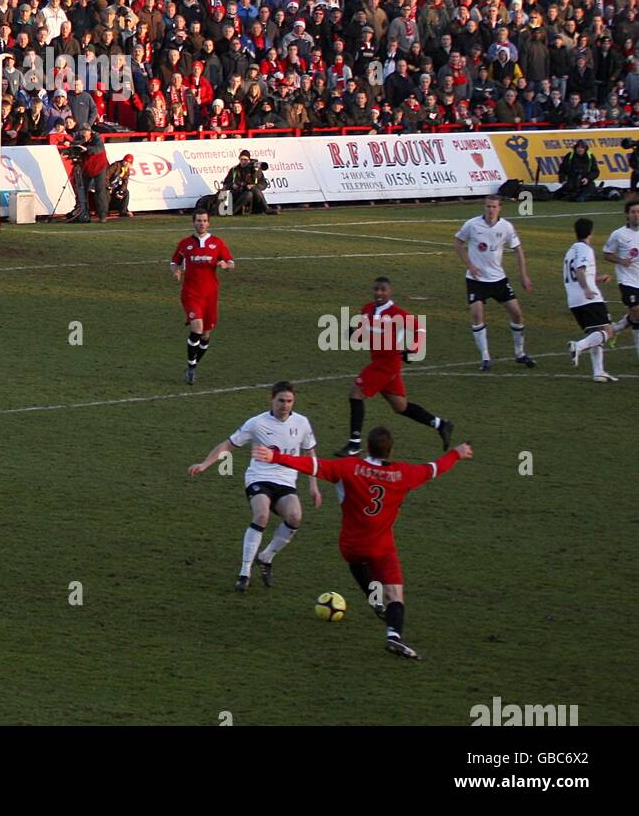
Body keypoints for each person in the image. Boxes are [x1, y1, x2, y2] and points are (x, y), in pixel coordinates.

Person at [255, 426, 473, 660]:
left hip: (351, 546)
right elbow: (434, 468)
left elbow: (312, 466)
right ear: (391, 450)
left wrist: (275, 456)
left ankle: (374, 601)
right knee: (395, 595)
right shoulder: (405, 473)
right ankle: (393, 636)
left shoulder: (348, 467)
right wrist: (456, 453)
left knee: (359, 564)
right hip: (381, 546)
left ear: (367, 447)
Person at [188, 380, 322, 592]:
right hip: (259, 478)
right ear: (271, 400)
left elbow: (310, 455)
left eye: (289, 401)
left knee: (295, 516)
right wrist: (205, 464)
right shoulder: (257, 423)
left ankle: (266, 557)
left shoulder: (302, 423)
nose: (285, 405)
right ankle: (245, 572)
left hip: (286, 481)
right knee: (261, 515)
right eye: (281, 401)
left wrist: (313, 486)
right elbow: (228, 444)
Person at [337, 276, 452, 455]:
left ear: (390, 291)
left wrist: (413, 349)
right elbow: (362, 335)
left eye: (383, 290)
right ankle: (441, 424)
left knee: (356, 393)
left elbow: (419, 328)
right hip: (379, 362)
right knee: (400, 406)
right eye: (376, 289)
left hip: (388, 364)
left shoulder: (397, 313)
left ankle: (354, 444)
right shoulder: (367, 309)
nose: (379, 293)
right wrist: (352, 333)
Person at [454, 195, 534, 371]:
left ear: (500, 208)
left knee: (517, 314)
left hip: (498, 279)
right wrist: (470, 265)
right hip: (476, 280)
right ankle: (485, 357)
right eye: (488, 206)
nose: (490, 210)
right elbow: (458, 243)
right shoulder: (472, 224)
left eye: (493, 207)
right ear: (484, 207)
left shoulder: (506, 227)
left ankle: (520, 353)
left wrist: (524, 276)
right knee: (476, 315)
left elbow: (518, 250)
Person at [171, 208, 235, 385]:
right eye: (198, 220)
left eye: (204, 220)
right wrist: (176, 272)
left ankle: (193, 364)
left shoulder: (217, 243)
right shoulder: (185, 244)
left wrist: (225, 265)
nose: (202, 223)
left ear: (209, 223)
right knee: (197, 329)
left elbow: (232, 263)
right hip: (191, 293)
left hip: (210, 295)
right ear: (194, 222)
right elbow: (174, 262)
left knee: (206, 335)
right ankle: (191, 367)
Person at [562, 218, 619, 383]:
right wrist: (587, 289)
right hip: (589, 298)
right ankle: (578, 346)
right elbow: (580, 271)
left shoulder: (570, 251)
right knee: (608, 331)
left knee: (596, 333)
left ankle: (598, 372)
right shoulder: (585, 250)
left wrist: (598, 278)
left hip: (574, 300)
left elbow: (575, 275)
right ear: (590, 233)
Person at [602, 194, 639, 358]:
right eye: (633, 212)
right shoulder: (618, 234)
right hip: (627, 280)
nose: (636, 215)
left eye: (638, 212)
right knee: (638, 311)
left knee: (636, 315)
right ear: (627, 214)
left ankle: (615, 329)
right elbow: (607, 254)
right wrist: (621, 260)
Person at [219, 149, 269, 215]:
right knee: (249, 194)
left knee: (255, 190)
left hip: (253, 194)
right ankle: (232, 211)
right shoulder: (234, 169)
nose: (243, 161)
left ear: (249, 160)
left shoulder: (255, 170)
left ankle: (266, 209)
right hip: (237, 193)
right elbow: (226, 183)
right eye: (241, 159)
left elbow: (263, 184)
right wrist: (232, 185)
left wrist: (254, 186)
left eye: (245, 159)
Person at [104, 152, 133, 218]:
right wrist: (108, 187)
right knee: (106, 193)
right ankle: (104, 212)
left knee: (126, 192)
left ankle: (123, 211)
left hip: (115, 188)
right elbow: (106, 176)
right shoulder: (115, 166)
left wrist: (121, 192)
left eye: (128, 163)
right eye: (125, 162)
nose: (126, 164)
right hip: (107, 187)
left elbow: (125, 183)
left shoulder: (126, 170)